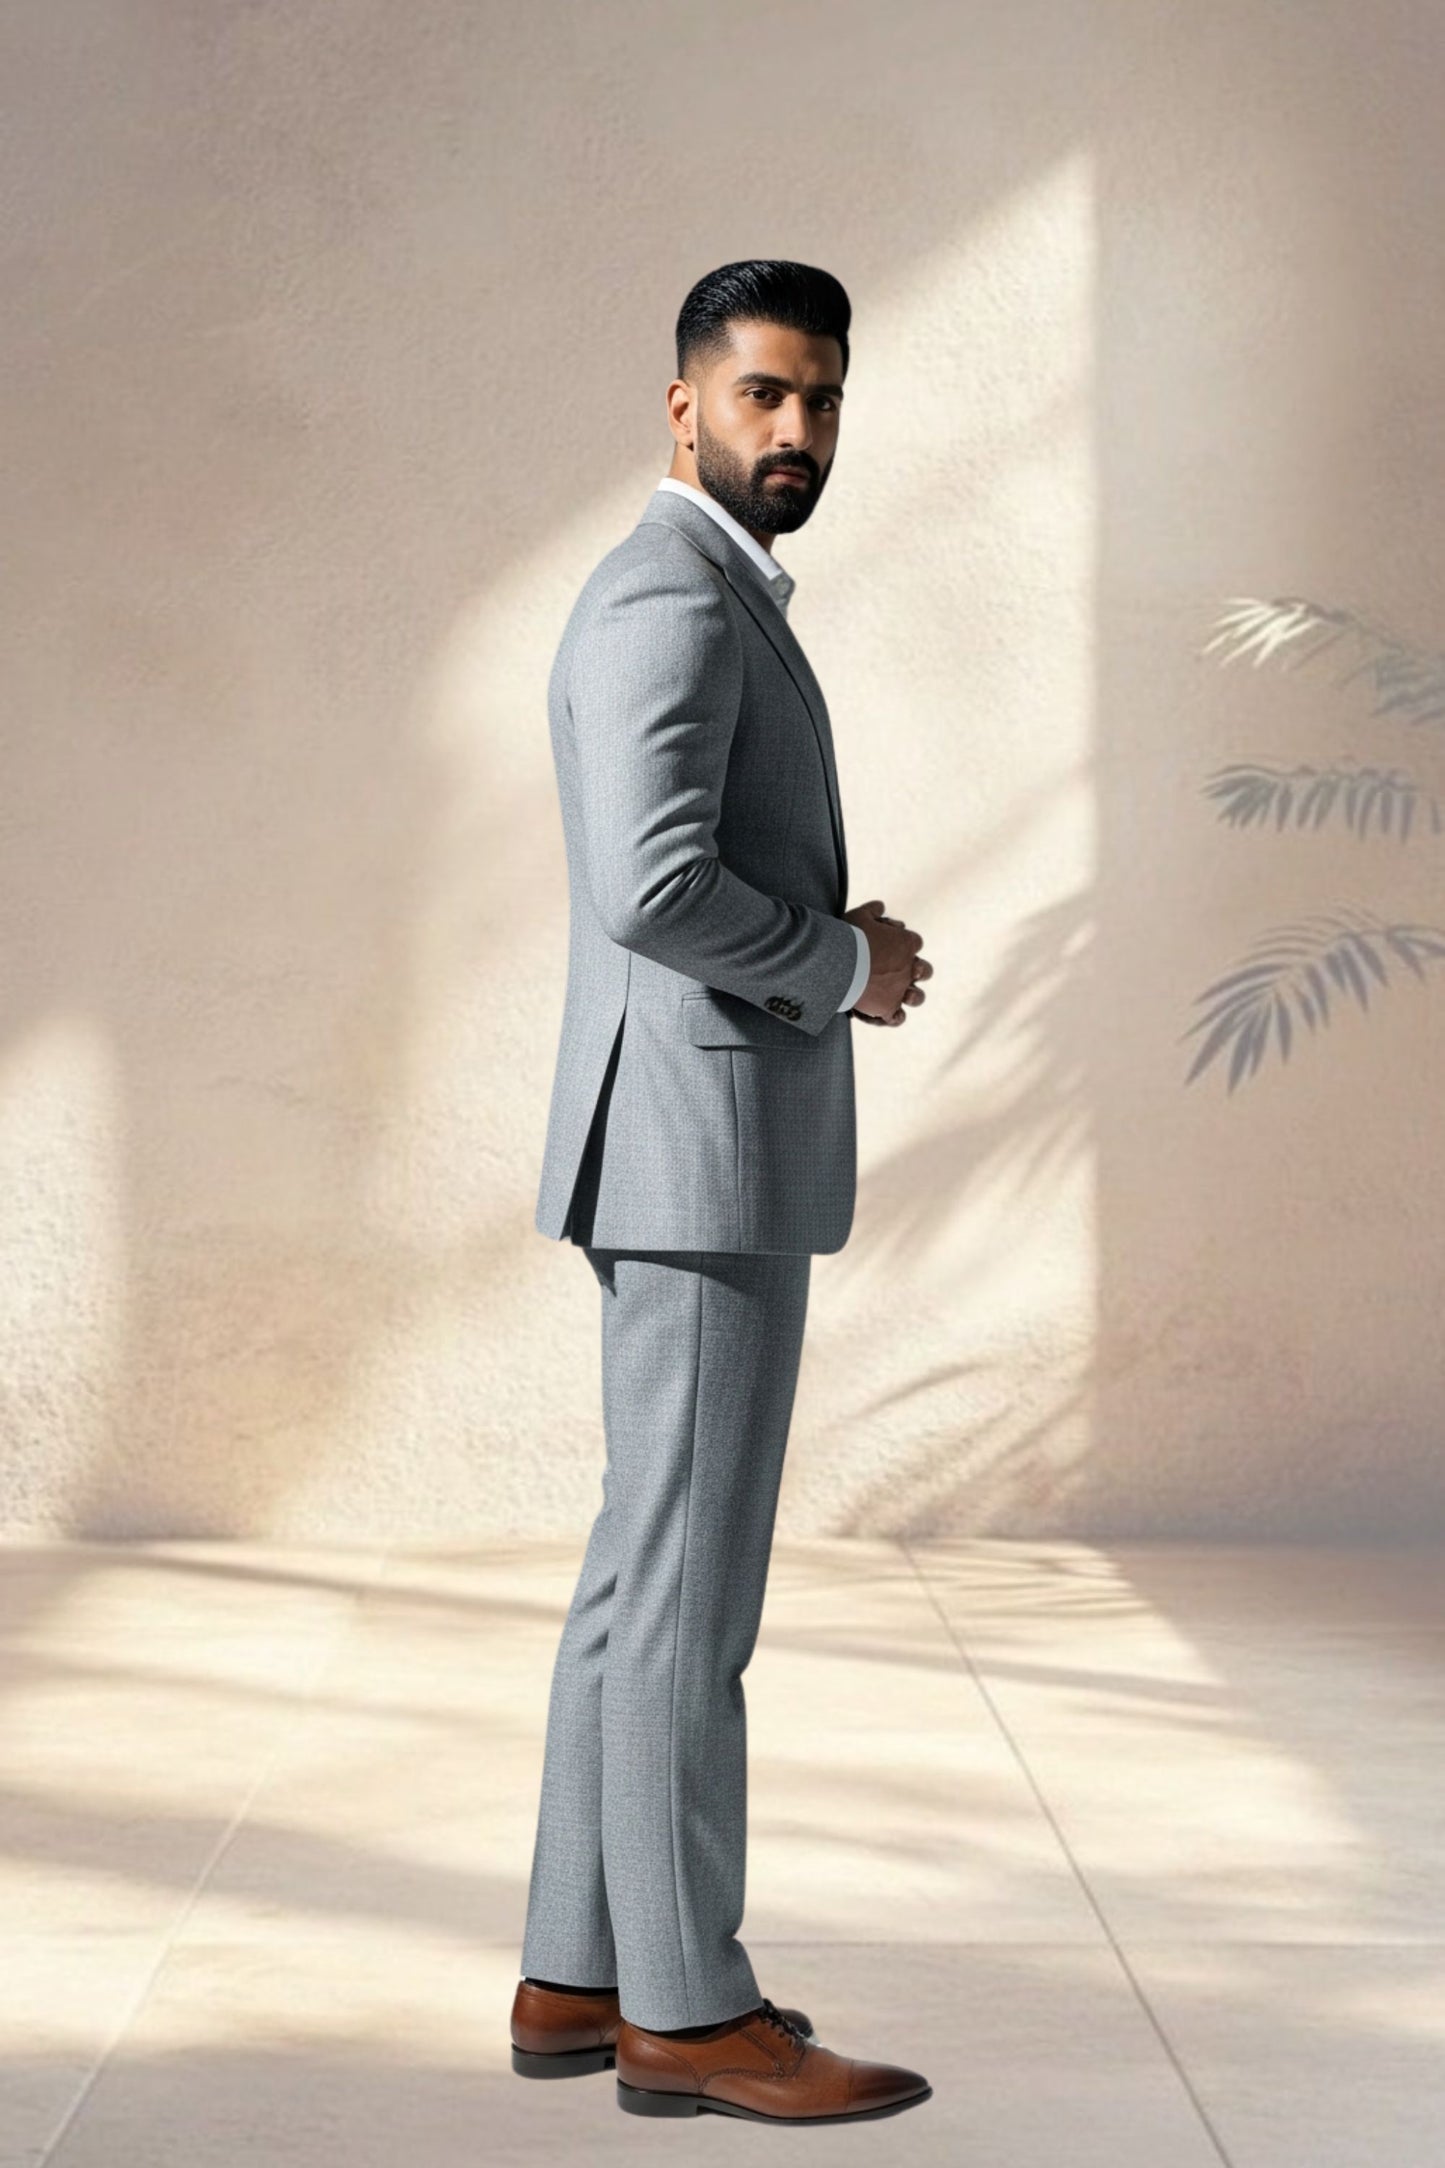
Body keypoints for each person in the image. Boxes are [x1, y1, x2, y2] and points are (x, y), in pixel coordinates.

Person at [511, 258, 935, 2125]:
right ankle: (687, 2010)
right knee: (690, 1601)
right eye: (763, 397)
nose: (797, 433)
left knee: (640, 1581)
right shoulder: (667, 601)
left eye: (821, 400)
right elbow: (654, 885)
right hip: (700, 1152)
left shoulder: (704, 595)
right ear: (680, 408)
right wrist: (840, 963)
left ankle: (574, 1970)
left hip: (692, 1147)